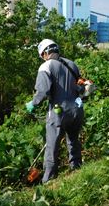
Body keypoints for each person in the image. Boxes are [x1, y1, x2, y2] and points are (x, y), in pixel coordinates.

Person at [25, 39, 85, 183]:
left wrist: (33, 104)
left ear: (45, 53)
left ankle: (49, 179)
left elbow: (43, 92)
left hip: (59, 112)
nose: (43, 58)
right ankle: (76, 169)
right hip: (77, 110)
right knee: (73, 141)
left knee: (52, 145)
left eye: (42, 55)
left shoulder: (46, 66)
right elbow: (80, 86)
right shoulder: (72, 64)